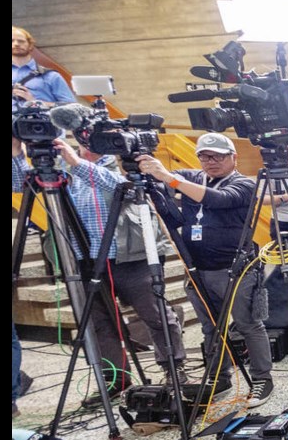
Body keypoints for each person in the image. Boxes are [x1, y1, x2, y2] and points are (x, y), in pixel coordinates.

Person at [12, 136, 187, 408]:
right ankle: (116, 379)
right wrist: (16, 154)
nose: (88, 143)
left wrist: (76, 162)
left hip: (129, 259)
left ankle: (174, 369)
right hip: (83, 263)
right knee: (99, 325)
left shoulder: (117, 168)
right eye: (82, 138)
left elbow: (120, 188)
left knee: (155, 315)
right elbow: (18, 185)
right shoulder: (61, 172)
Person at [137, 132, 275, 408]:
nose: (211, 161)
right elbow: (160, 179)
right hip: (198, 269)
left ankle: (263, 378)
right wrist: (146, 166)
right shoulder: (193, 176)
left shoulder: (244, 184)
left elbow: (217, 199)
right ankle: (219, 375)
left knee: (248, 325)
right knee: (211, 328)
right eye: (204, 156)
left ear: (233, 157)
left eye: (218, 156)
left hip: (234, 269)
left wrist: (169, 179)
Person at [12, 26, 76, 110]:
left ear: (30, 45)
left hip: (37, 121)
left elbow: (72, 107)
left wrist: (36, 102)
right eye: (12, 41)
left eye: (21, 41)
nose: (16, 44)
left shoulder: (51, 76)